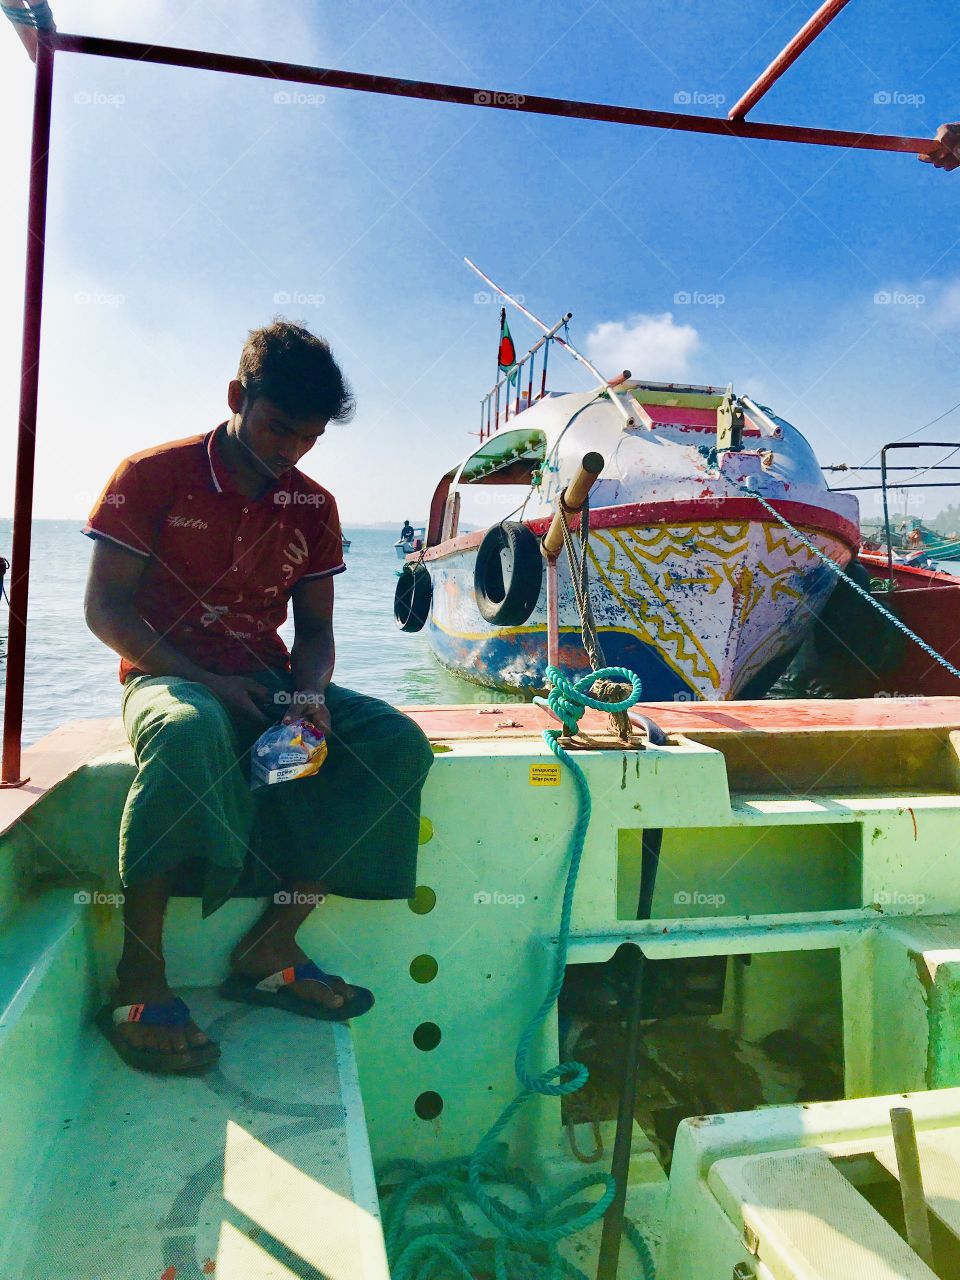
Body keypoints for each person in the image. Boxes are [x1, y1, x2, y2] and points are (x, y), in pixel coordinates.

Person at [83, 319, 435, 1073]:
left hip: (270, 681)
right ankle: (139, 976)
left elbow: (313, 632)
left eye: (308, 440)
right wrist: (206, 681)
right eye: (278, 429)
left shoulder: (315, 506)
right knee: (186, 729)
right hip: (166, 674)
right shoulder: (150, 476)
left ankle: (273, 943)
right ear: (238, 396)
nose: (290, 453)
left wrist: (308, 699)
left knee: (394, 742)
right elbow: (106, 611)